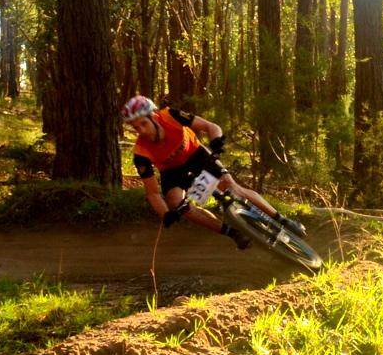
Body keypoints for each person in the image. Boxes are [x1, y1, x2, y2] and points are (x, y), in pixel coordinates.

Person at [121, 95, 305, 247]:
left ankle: (283, 220)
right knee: (177, 204)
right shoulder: (140, 153)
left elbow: (211, 127)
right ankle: (231, 233)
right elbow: (153, 193)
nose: (141, 131)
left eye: (143, 124)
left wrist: (216, 140)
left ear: (154, 116)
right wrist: (166, 214)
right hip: (172, 171)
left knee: (231, 187)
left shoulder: (171, 116)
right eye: (136, 128)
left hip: (195, 154)